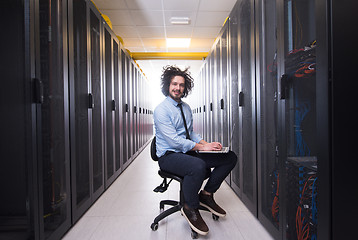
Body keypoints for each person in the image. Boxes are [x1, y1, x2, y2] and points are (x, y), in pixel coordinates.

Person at [153, 65, 237, 236]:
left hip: (186, 152)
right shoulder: (161, 110)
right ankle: (190, 206)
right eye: (174, 84)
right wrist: (202, 148)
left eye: (181, 85)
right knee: (198, 166)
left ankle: (206, 195)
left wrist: (208, 146)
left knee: (229, 157)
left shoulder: (185, 108)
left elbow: (189, 132)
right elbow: (174, 141)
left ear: (186, 87)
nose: (178, 88)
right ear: (167, 86)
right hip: (169, 156)